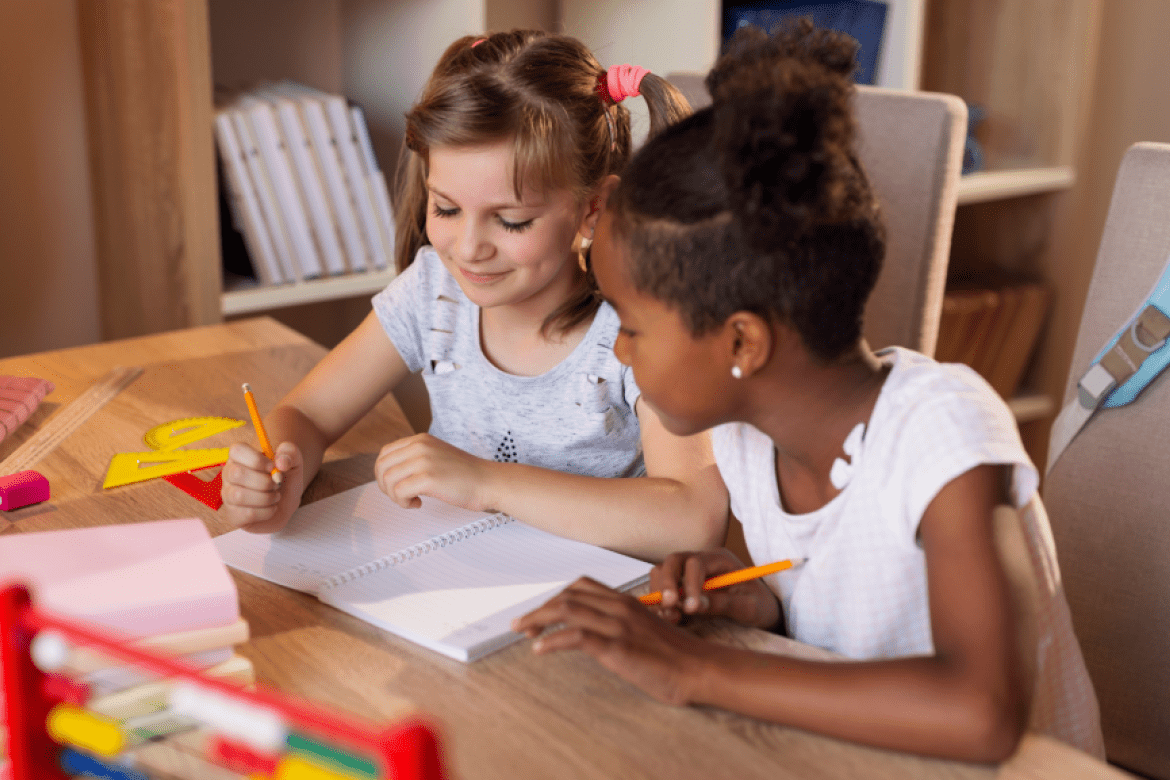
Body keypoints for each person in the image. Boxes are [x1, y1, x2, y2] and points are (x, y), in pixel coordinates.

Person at [513, 20, 1104, 763]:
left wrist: (693, 666)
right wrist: (759, 601)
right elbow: (854, 610)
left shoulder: (941, 430)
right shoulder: (747, 437)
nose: (620, 350)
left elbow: (982, 711)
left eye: (630, 324)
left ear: (741, 344)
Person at [219, 30, 727, 560]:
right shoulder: (433, 292)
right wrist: (275, 477)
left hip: (599, 613)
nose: (467, 248)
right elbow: (307, 415)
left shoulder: (637, 332)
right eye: (445, 209)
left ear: (593, 211)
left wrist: (487, 483)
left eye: (510, 220)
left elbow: (693, 518)